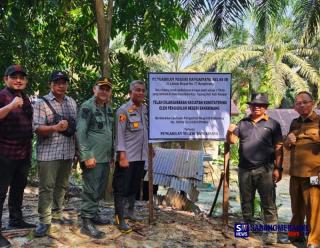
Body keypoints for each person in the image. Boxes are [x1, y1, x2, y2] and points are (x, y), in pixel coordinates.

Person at [226, 93, 283, 245]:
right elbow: (232, 141)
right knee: (246, 201)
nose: (257, 107)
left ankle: (271, 235)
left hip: (265, 169)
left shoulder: (273, 124)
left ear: (265, 108)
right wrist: (230, 131)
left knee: (268, 202)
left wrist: (278, 168)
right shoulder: (243, 123)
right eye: (254, 105)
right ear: (250, 107)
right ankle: (247, 231)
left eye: (260, 105)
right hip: (244, 169)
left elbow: (278, 147)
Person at [33, 71, 77, 237]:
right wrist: (54, 128)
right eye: (57, 82)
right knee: (46, 187)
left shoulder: (71, 102)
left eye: (64, 82)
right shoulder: (40, 103)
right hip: (48, 153)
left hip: (67, 152)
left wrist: (78, 151)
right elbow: (36, 128)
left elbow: (75, 128)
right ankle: (44, 220)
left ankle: (57, 214)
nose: (61, 85)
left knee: (62, 185)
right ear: (50, 84)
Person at [0, 65, 35, 248]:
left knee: (18, 188)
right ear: (6, 79)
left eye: (22, 77)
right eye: (14, 77)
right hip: (5, 153)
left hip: (23, 152)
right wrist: (10, 106)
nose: (18, 80)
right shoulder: (3, 95)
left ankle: (16, 219)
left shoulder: (25, 97)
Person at [76, 77, 113, 239]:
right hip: (93, 157)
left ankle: (94, 215)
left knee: (99, 189)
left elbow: (109, 134)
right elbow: (80, 132)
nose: (104, 91)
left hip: (104, 157)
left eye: (107, 89)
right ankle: (86, 222)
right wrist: (86, 156)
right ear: (94, 89)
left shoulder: (107, 108)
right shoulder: (87, 107)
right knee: (91, 190)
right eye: (101, 88)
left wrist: (112, 155)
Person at [283, 91, 320, 248]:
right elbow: (286, 146)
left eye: (305, 102)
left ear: (312, 103)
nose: (302, 105)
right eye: (298, 103)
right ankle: (295, 236)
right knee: (296, 208)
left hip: (314, 173)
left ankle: (314, 241)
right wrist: (288, 140)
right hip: (295, 173)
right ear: (295, 107)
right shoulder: (294, 123)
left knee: (314, 208)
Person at [112, 80, 148, 233]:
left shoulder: (145, 109)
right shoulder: (123, 110)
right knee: (121, 189)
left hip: (141, 156)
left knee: (134, 186)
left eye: (142, 90)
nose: (140, 93)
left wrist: (150, 149)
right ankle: (119, 219)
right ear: (130, 92)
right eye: (137, 90)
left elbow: (147, 131)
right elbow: (119, 135)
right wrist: (122, 156)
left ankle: (130, 212)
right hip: (127, 157)